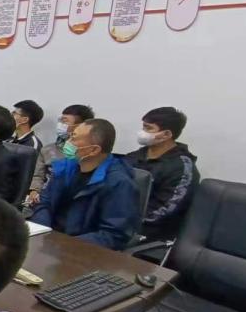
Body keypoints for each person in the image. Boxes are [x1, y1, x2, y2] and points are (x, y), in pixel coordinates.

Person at [29, 118, 138, 250]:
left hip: (81, 248)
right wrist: (43, 231)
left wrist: (64, 244)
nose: (68, 142)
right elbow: (44, 203)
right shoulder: (65, 168)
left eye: (74, 138)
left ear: (93, 150)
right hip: (51, 241)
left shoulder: (119, 183)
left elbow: (113, 234)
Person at [126, 107, 200, 241]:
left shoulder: (181, 168)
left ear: (166, 135)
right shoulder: (135, 156)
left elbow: (165, 210)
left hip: (150, 234)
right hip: (119, 221)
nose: (142, 132)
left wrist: (122, 220)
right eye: (143, 127)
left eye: (148, 128)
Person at [28, 104, 95, 205]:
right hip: (44, 199)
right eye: (60, 121)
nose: (60, 124)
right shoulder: (48, 149)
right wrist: (34, 191)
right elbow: (38, 175)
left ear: (81, 126)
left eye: (65, 121)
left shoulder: (89, 153)